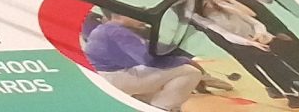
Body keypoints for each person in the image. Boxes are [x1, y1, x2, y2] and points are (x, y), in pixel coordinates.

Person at [78, 6, 212, 111]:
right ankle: (161, 107)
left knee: (163, 73)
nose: (141, 18)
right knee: (190, 72)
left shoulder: (105, 29)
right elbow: (150, 61)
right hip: (116, 78)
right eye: (136, 15)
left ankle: (145, 102)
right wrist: (185, 61)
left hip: (107, 75)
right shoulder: (118, 32)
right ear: (118, 16)